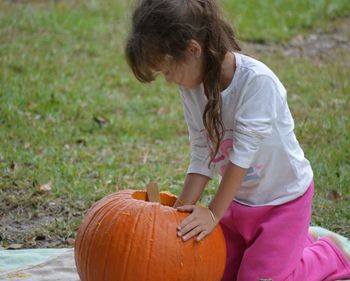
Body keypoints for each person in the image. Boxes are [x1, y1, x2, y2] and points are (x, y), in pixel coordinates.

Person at [125, 0, 350, 280]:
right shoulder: (192, 89)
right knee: (210, 270)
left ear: (193, 50)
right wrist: (173, 219)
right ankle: (284, 248)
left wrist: (213, 213)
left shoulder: (257, 84)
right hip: (239, 204)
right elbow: (201, 152)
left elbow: (240, 158)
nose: (168, 80)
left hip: (282, 204)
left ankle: (326, 255)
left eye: (167, 71)